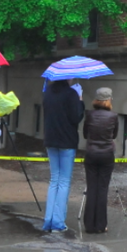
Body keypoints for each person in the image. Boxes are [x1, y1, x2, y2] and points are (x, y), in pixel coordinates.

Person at [41, 77, 85, 232]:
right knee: (64, 181)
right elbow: (76, 117)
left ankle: (48, 220)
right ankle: (58, 222)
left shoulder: (47, 93)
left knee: (54, 180)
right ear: (67, 77)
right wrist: (80, 100)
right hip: (67, 141)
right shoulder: (71, 94)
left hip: (50, 140)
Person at [82, 87, 118, 233]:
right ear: (109, 100)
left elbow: (85, 134)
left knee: (92, 188)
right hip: (107, 154)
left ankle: (89, 225)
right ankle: (101, 225)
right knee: (102, 189)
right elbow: (114, 135)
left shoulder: (89, 115)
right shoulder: (113, 116)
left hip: (91, 153)